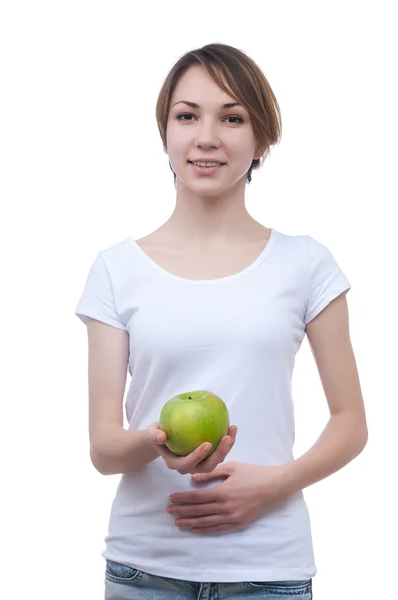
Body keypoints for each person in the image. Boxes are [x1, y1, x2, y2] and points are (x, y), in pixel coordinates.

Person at [75, 43, 368, 600]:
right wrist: (156, 443)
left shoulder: (307, 264)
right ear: (165, 134)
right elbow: (104, 448)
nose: (206, 136)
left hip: (268, 570)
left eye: (231, 117)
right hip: (145, 571)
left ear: (262, 139)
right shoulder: (116, 270)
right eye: (187, 116)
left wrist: (273, 485)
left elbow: (352, 422)